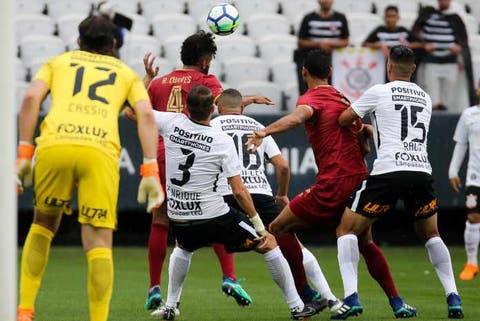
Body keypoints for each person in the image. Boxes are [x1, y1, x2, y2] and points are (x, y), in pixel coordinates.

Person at [247, 49, 416, 319]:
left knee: (278, 227)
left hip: (333, 184)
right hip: (360, 181)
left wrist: (265, 130)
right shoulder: (343, 99)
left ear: (304, 72)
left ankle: (306, 293)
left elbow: (298, 116)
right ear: (330, 73)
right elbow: (364, 147)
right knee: (366, 242)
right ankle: (397, 302)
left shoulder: (310, 98)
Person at [15, 15, 163, 321]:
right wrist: (150, 169)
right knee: (98, 241)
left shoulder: (58, 62)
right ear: (113, 44)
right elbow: (145, 115)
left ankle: (24, 309)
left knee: (42, 225)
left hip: (55, 144)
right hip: (99, 150)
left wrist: (24, 153)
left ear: (79, 41)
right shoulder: (124, 72)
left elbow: (30, 97)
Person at [153, 85, 327, 320]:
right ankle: (298, 308)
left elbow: (137, 110)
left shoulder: (171, 123)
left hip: (180, 215)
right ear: (212, 108)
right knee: (269, 244)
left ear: (187, 108)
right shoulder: (220, 139)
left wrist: (147, 79)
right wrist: (257, 224)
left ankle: (171, 306)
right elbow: (238, 190)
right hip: (214, 215)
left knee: (183, 247)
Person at [138, 31, 274, 314]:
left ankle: (154, 286)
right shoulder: (206, 81)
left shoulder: (161, 82)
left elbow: (135, 113)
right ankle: (229, 276)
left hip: (164, 154)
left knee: (160, 220)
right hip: (197, 153)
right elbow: (223, 107)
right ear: (204, 60)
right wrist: (247, 100)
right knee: (215, 209)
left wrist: (146, 80)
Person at [333, 45, 463, 319]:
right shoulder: (425, 98)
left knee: (346, 230)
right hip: (420, 171)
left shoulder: (379, 91)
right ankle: (453, 296)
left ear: (388, 66)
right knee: (432, 235)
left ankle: (351, 297)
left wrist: (361, 121)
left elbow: (344, 120)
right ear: (413, 69)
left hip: (389, 171)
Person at [210, 88, 336, 307]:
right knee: (292, 244)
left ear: (218, 108)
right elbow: (283, 166)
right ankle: (325, 297)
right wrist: (282, 194)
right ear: (241, 107)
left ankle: (171, 302)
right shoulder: (258, 127)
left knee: (186, 245)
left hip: (227, 196)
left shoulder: (211, 126)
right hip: (261, 194)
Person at [412, 0, 477, 112]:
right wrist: (424, 45)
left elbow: (463, 41)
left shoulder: (455, 17)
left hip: (450, 61)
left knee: (448, 99)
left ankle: (446, 122)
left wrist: (459, 48)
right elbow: (414, 34)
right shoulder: (428, 14)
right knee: (432, 97)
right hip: (431, 60)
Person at [448, 81, 480, 281]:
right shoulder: (469, 115)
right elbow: (461, 143)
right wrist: (453, 171)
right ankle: (471, 262)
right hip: (475, 177)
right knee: (473, 217)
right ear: (477, 90)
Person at [295, 0, 349, 94]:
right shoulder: (308, 18)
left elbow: (346, 41)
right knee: (307, 91)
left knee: (331, 92)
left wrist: (329, 44)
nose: (325, 1)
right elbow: (301, 42)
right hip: (311, 60)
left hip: (332, 61)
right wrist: (319, 44)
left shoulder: (341, 18)